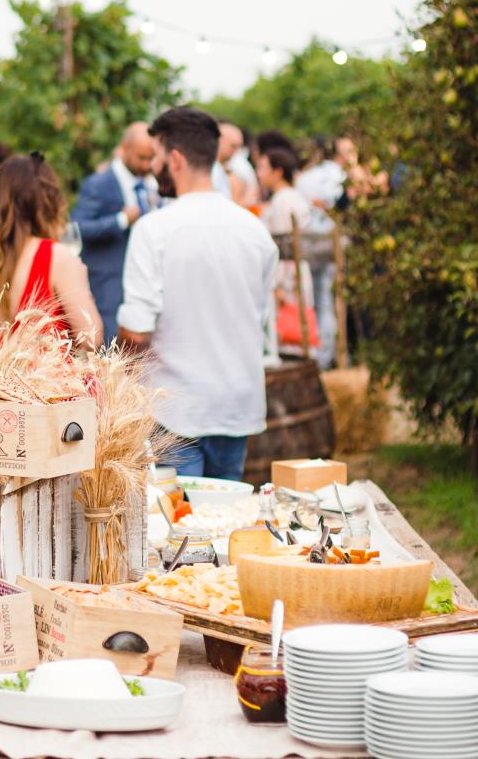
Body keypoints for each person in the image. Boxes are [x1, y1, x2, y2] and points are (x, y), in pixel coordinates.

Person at [117, 107, 278, 481]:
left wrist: (118, 376)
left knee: (175, 530)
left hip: (174, 409)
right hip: (235, 403)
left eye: (156, 156)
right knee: (221, 525)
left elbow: (136, 332)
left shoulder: (154, 230)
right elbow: (258, 317)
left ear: (174, 159)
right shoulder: (255, 231)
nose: (153, 165)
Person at [0, 154, 102, 348]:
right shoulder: (56, 257)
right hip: (53, 377)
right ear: (49, 200)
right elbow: (91, 339)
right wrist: (82, 283)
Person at [72, 121, 157, 343]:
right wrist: (120, 220)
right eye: (141, 158)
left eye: (151, 158)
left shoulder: (152, 185)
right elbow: (77, 228)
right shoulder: (98, 184)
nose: (147, 165)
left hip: (143, 287)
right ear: (124, 148)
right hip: (108, 288)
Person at [257, 145, 333, 364]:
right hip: (297, 271)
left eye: (263, 167)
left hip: (289, 275)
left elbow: (286, 247)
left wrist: (280, 285)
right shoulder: (293, 197)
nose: (259, 174)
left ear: (277, 171)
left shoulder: (284, 200)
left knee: (292, 332)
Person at [219, 121, 260, 209]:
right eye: (233, 146)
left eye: (239, 146)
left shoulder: (238, 164)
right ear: (219, 141)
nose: (237, 151)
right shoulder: (207, 169)